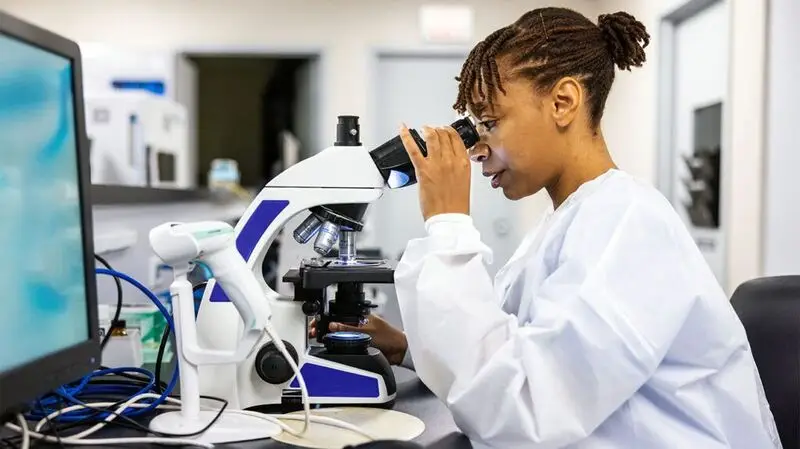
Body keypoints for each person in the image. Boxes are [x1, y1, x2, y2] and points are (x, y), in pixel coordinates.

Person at [315, 7, 782, 449]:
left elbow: (524, 410)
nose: (477, 149)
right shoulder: (569, 222)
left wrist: (448, 221)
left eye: (490, 122)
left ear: (563, 103)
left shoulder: (628, 223)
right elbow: (510, 352)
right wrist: (408, 347)